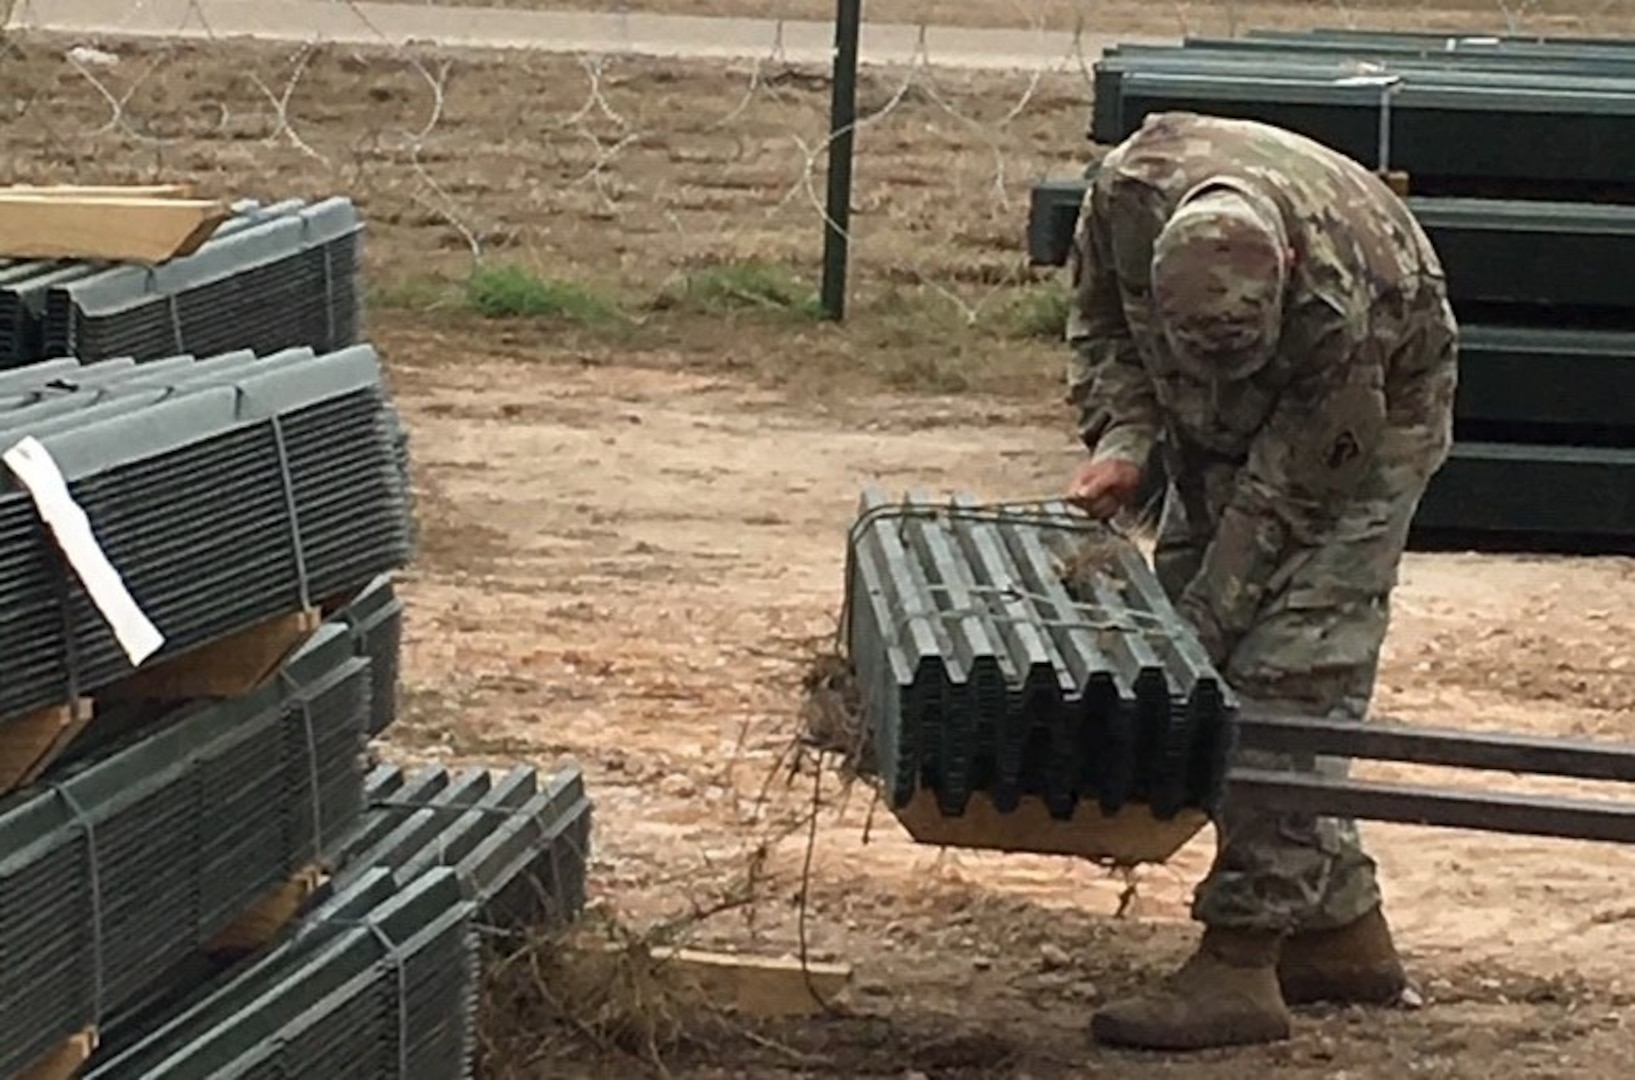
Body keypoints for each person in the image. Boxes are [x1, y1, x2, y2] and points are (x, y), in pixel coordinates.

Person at [1061, 111, 1459, 1051]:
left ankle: (1241, 963)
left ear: (1278, 276)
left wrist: (1185, 647)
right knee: (1203, 628)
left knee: (1287, 668)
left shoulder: (1343, 307)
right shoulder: (1124, 196)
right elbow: (1104, 328)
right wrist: (1124, 440)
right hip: (1235, 414)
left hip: (1374, 416)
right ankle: (1337, 934)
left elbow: (1282, 505)